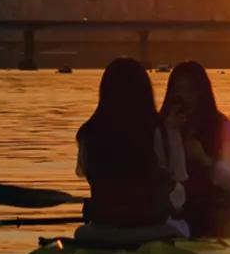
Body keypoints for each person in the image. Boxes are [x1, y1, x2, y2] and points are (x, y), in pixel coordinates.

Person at [75, 57, 189, 243]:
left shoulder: (88, 133)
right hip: (153, 229)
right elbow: (179, 191)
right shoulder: (163, 132)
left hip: (102, 229)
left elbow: (83, 172)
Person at [160, 61, 230, 237]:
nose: (184, 96)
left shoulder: (222, 127)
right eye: (178, 89)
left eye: (191, 90)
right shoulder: (160, 127)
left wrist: (205, 160)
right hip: (171, 206)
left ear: (202, 93)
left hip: (209, 204)